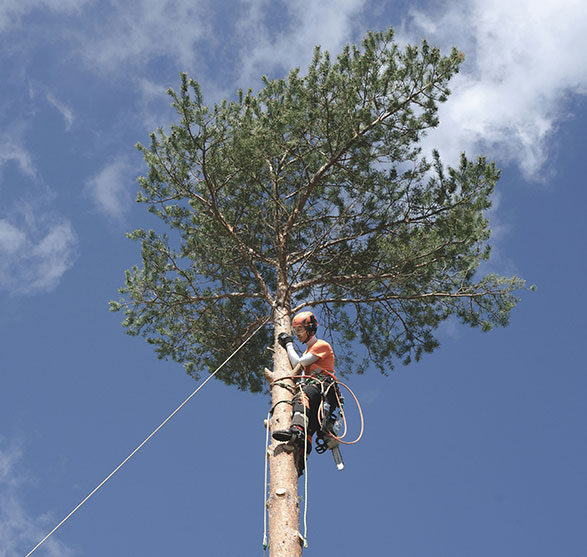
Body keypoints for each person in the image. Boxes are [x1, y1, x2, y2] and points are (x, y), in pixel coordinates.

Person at [272, 311, 339, 465]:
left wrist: (288, 344)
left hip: (324, 387)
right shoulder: (308, 351)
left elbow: (298, 364)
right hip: (317, 394)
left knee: (302, 396)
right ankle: (301, 458)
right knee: (310, 427)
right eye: (295, 331)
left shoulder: (321, 345)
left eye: (300, 330)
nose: (298, 334)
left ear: (310, 329)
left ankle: (297, 429)